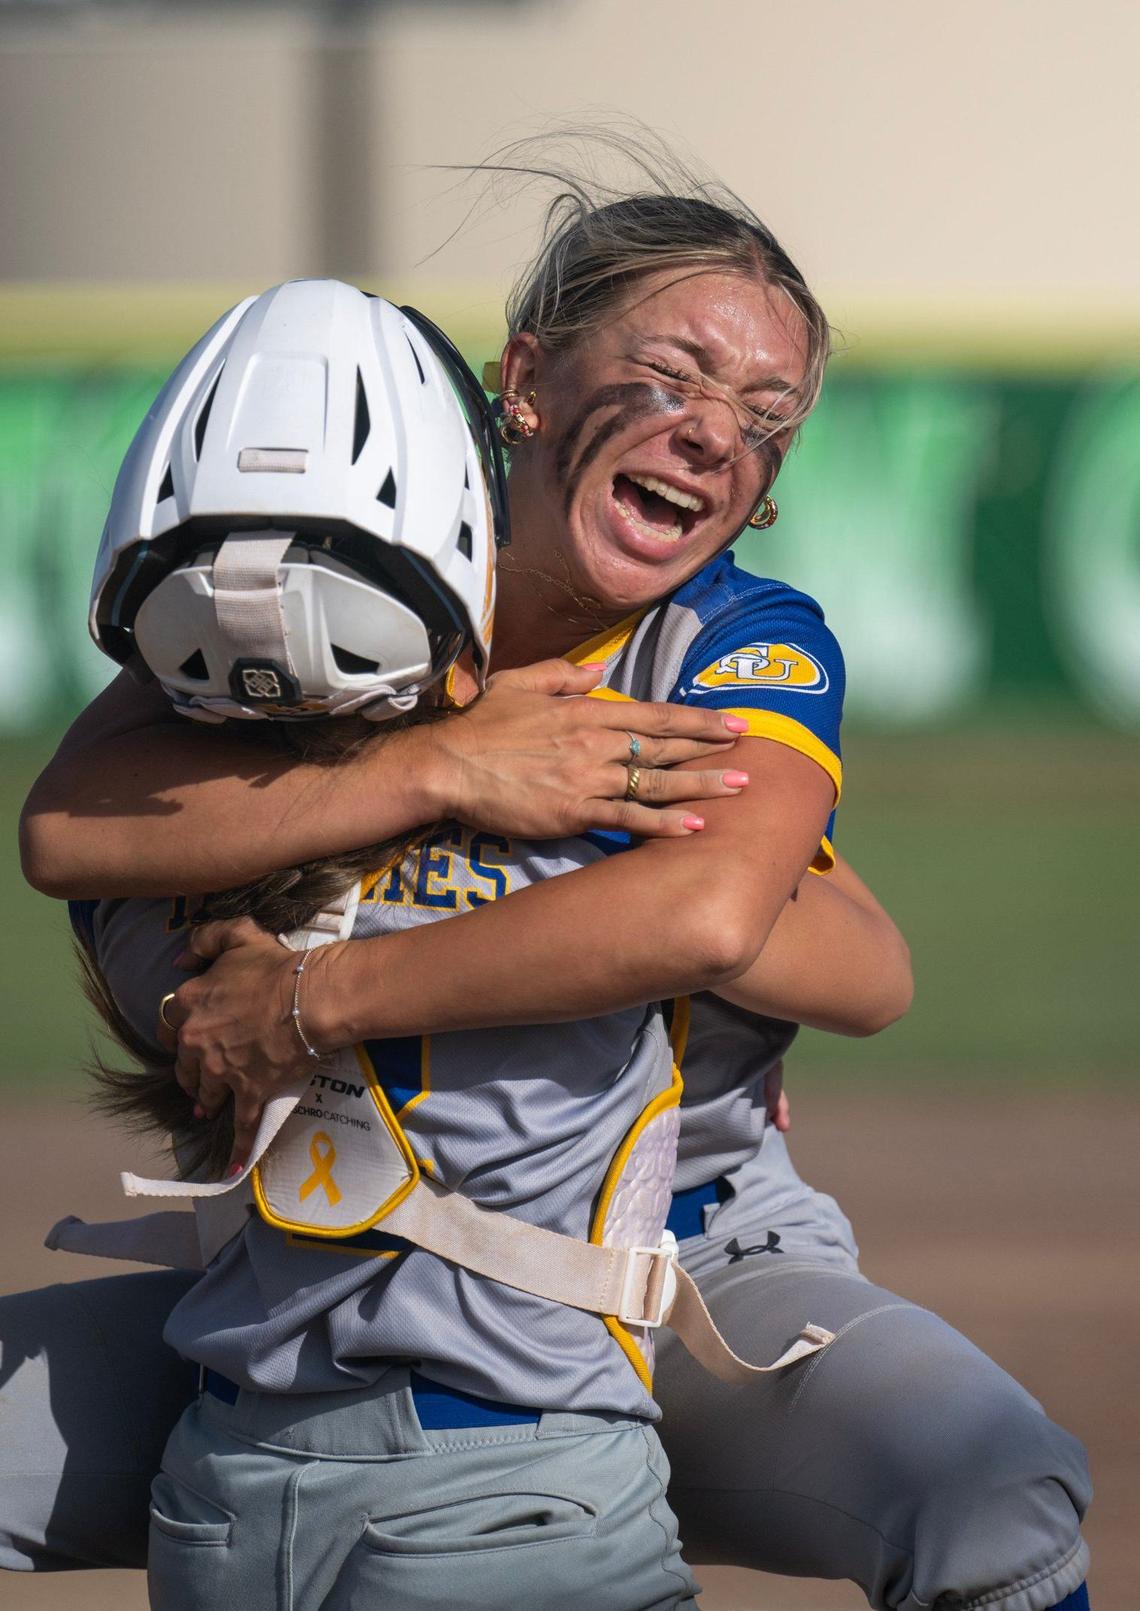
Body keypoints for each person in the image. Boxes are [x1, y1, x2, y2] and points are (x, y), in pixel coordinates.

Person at [14, 147, 1089, 1611]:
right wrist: (445, 768)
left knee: (994, 1493)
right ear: (525, 376)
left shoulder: (737, 636)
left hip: (680, 1255)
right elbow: (72, 825)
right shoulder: (352, 567)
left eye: (767, 418)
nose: (719, 434)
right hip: (327, 1270)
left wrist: (319, 994)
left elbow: (753, 928)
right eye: (673, 373)